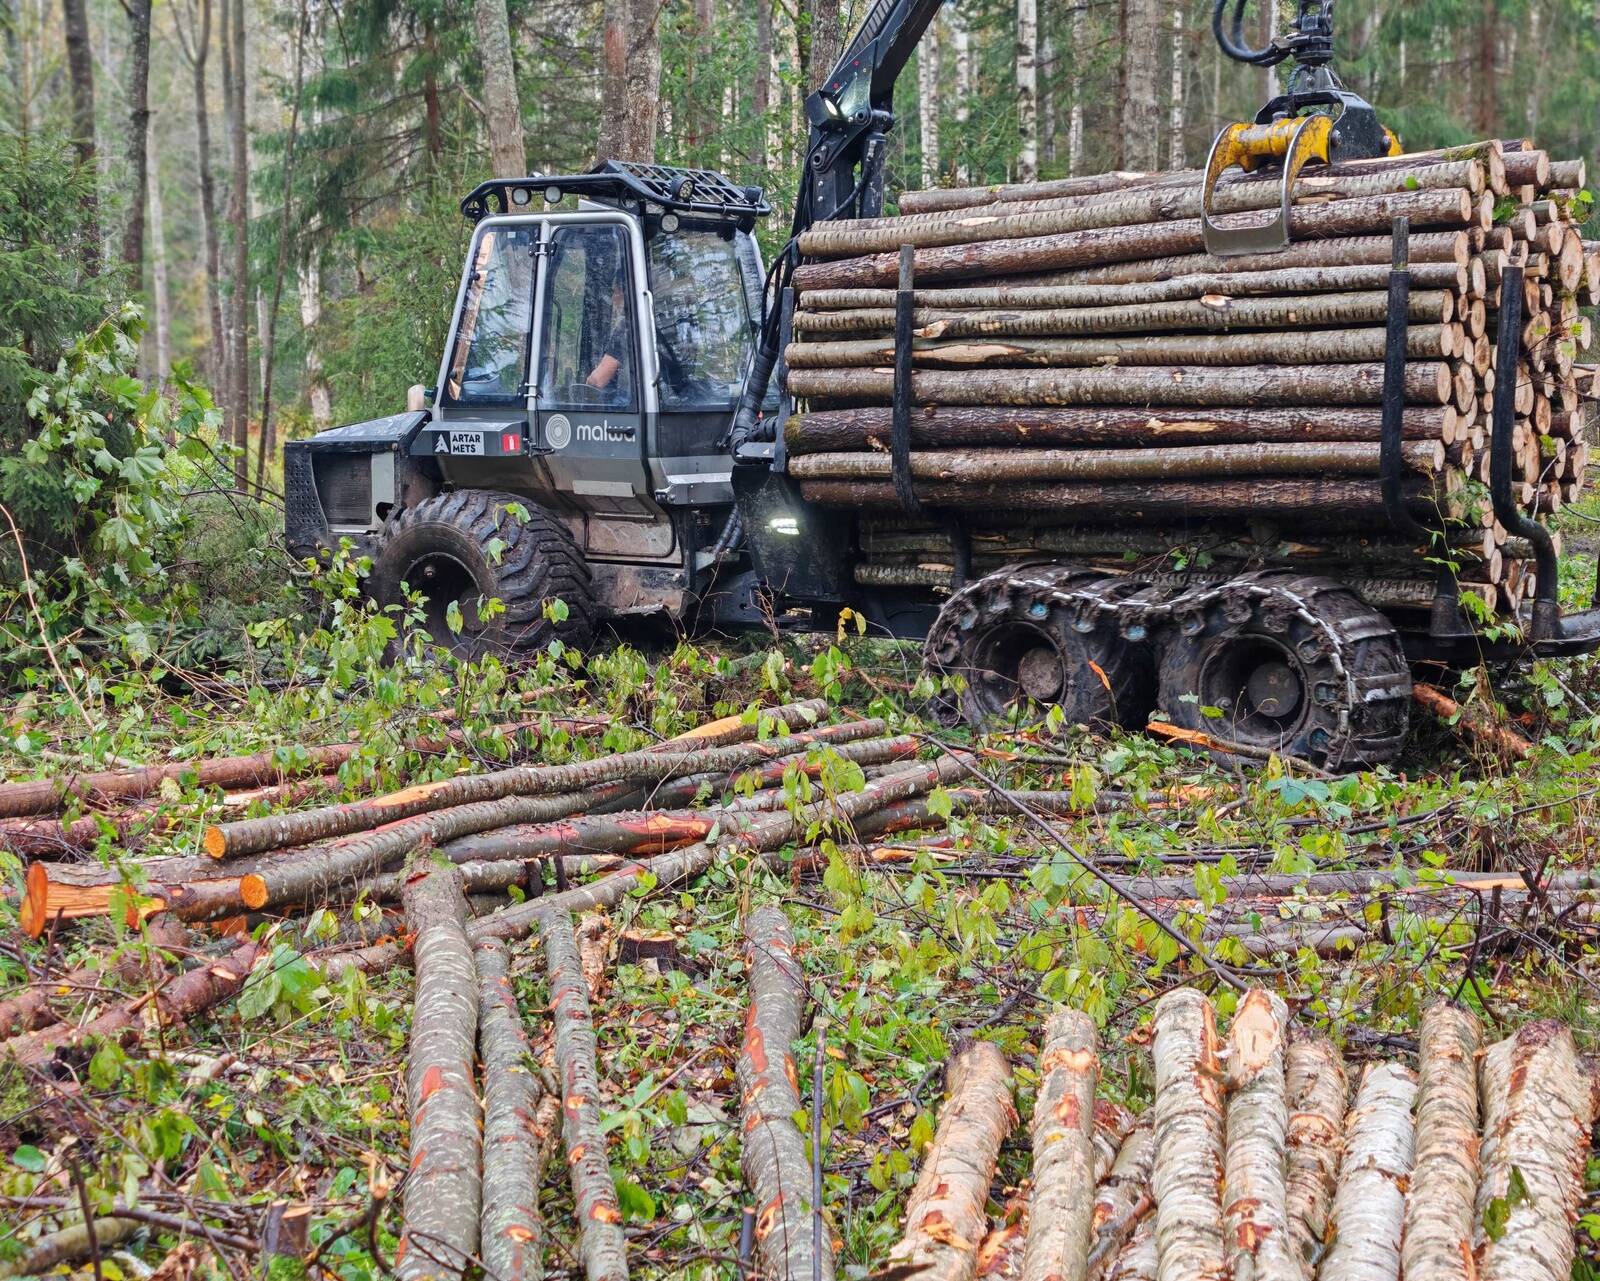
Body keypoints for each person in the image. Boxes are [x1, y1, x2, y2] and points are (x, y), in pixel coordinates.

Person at [585, 280, 632, 396]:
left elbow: (598, 380)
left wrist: (585, 386)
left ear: (626, 295)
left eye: (616, 293)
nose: (613, 299)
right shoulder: (645, 323)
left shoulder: (625, 328)